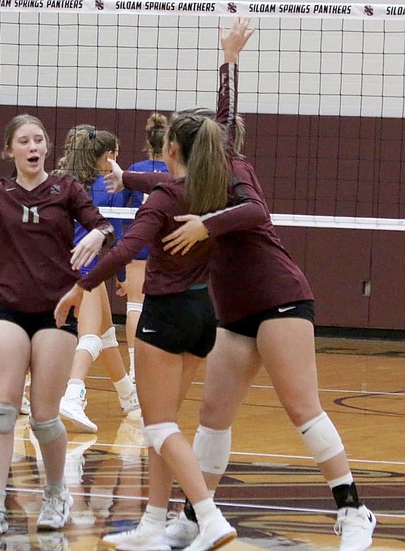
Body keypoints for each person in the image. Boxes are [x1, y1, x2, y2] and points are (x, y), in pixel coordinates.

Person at [142, 19, 376, 551]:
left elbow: (255, 210)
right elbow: (214, 124)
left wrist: (207, 225)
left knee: (301, 407)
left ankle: (354, 511)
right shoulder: (193, 181)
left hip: (280, 298)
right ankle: (196, 518)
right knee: (212, 415)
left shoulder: (234, 166)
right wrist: (227, 61)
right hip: (235, 309)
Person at [55, 106, 238, 551]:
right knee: (165, 425)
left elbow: (127, 249)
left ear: (170, 149)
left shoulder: (163, 199)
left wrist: (82, 286)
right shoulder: (216, 192)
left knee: (158, 428)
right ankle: (154, 522)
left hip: (165, 315)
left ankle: (208, 517)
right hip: (202, 315)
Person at [0, 114, 114, 538]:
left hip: (56, 312)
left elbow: (102, 225)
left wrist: (99, 233)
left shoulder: (66, 189)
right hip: (9, 306)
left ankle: (56, 494)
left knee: (44, 417)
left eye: (38, 140)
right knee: (3, 408)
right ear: (10, 150)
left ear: (46, 147)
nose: (32, 146)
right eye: (23, 141)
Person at [54, 126, 140, 434]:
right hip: (87, 267)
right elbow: (114, 235)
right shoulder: (108, 188)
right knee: (89, 334)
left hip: (60, 265)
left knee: (104, 333)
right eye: (115, 154)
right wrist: (120, 274)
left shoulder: (61, 182)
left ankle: (128, 397)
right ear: (108, 156)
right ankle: (73, 394)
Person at [121, 114, 169, 382]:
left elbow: (118, 205)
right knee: (167, 305)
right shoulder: (177, 170)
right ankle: (161, 364)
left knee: (135, 306)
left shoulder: (135, 169)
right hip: (169, 244)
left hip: (140, 242)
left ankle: (133, 369)